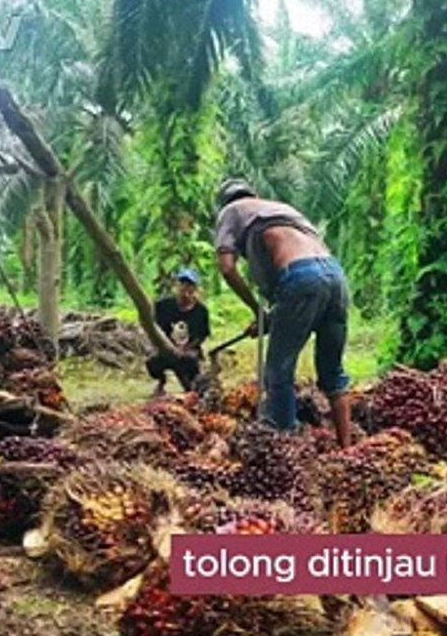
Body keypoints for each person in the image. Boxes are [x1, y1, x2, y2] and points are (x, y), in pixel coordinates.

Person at [213, 178, 353, 447]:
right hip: (335, 276)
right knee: (332, 371)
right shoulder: (280, 209)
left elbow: (227, 267)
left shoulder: (231, 211)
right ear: (254, 194)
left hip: (300, 278)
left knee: (278, 370)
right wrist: (271, 316)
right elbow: (309, 271)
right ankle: (347, 450)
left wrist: (258, 310)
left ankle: (287, 450)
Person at [146, 268, 212, 395]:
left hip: (189, 349)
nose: (185, 288)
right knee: (152, 360)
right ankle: (161, 381)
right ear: (176, 285)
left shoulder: (201, 311)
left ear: (195, 288)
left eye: (189, 285)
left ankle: (190, 383)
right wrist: (164, 346)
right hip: (166, 346)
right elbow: (156, 329)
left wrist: (187, 348)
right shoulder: (163, 306)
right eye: (182, 284)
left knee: (190, 366)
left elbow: (201, 336)